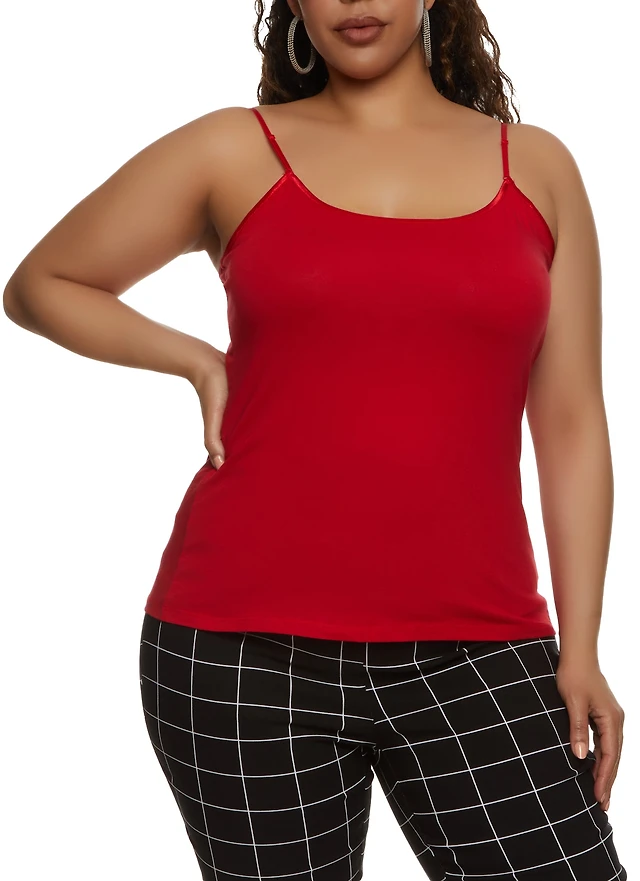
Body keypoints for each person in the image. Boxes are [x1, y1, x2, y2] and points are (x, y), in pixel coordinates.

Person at [3, 1, 627, 879]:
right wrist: (196, 360)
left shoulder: (537, 167)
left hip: (481, 646)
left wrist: (582, 644)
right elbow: (43, 282)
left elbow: (571, 421)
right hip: (240, 649)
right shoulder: (233, 150)